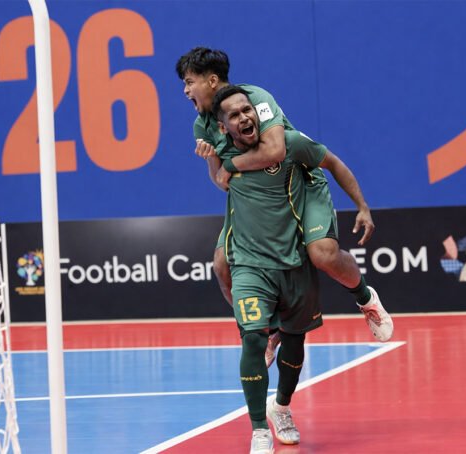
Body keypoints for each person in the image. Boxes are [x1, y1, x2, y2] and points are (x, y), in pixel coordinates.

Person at [175, 47, 394, 352]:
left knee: (323, 255)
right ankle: (267, 330)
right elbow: (222, 183)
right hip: (256, 198)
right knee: (221, 265)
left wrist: (230, 164)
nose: (186, 91)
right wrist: (214, 161)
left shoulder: (255, 99)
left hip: (299, 182)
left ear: (211, 81)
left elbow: (276, 150)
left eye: (189, 82)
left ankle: (366, 298)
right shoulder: (203, 125)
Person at [212, 85, 329, 454]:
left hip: (293, 258)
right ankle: (259, 429)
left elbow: (330, 163)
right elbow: (217, 175)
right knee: (252, 337)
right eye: (233, 115)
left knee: (295, 340)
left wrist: (361, 206)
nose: (243, 117)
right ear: (223, 127)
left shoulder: (288, 144)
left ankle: (281, 407)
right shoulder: (220, 149)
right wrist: (215, 159)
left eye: (247, 110)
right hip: (250, 264)